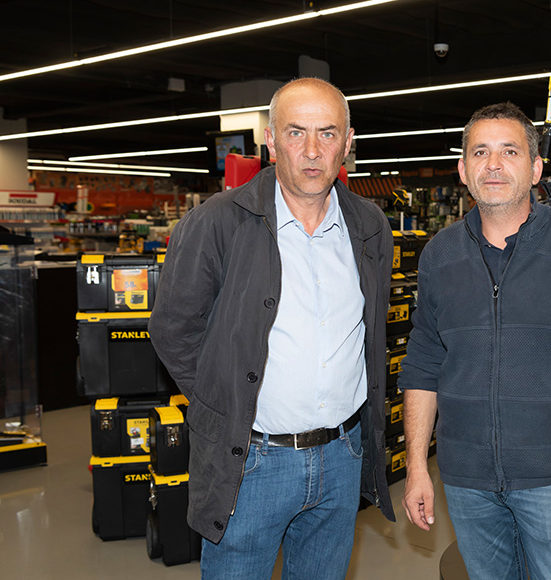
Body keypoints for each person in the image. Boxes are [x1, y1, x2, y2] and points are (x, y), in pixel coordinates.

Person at [149, 77, 395, 579]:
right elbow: (174, 331)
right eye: (295, 132)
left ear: (348, 142)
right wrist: (227, 405)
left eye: (328, 133)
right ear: (270, 139)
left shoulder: (370, 227)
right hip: (252, 462)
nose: (312, 150)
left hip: (342, 456)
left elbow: (370, 332)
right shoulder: (217, 223)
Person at [399, 102, 551, 580]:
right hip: (467, 479)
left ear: (535, 169)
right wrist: (415, 467)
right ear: (463, 170)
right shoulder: (439, 255)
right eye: (480, 152)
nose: (493, 164)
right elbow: (423, 364)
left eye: (509, 151)